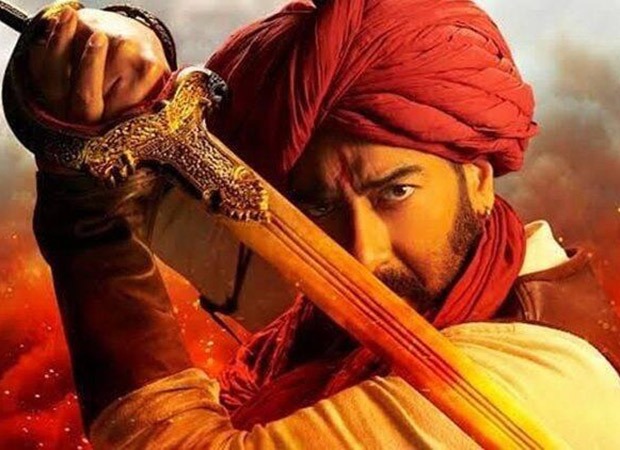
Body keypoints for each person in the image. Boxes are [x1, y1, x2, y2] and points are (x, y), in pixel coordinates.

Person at [6, 0, 620, 448]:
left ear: (479, 180)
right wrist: (125, 57)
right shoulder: (395, 286)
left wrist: (88, 219)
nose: (362, 253)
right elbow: (156, 196)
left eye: (395, 191)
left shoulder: (535, 384)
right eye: (317, 206)